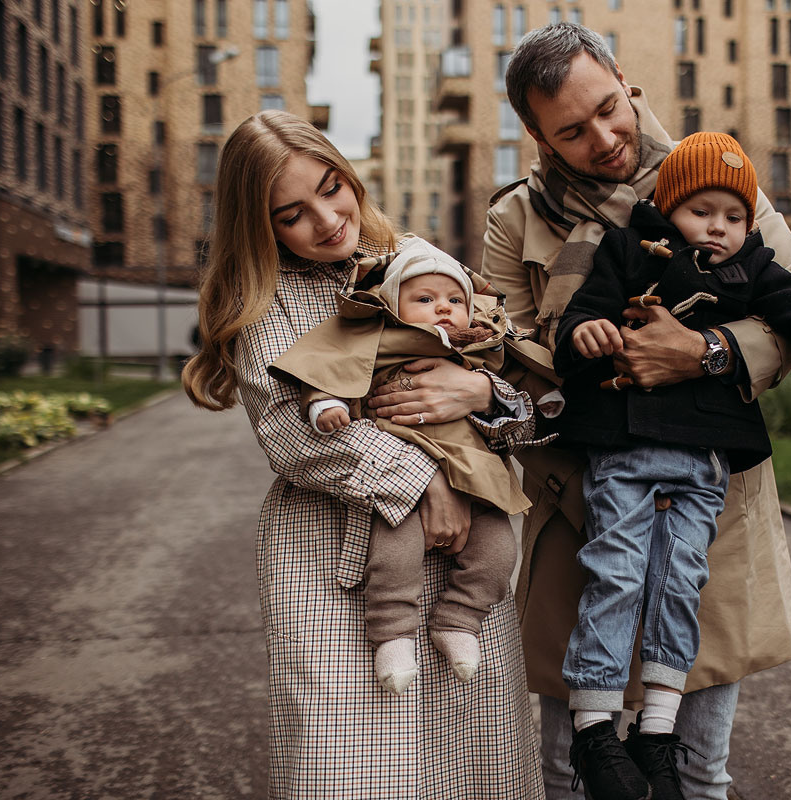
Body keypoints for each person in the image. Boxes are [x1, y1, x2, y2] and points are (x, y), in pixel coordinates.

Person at [476, 22, 791, 800]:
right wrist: (596, 365)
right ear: (537, 135)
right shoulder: (515, 220)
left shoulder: (718, 184)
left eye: (609, 107)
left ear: (624, 79)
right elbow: (502, 351)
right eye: (572, 129)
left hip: (710, 505)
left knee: (698, 769)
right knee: (572, 768)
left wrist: (701, 352)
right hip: (582, 499)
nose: (604, 138)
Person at [181, 111, 544, 799]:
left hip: (466, 554)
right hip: (324, 562)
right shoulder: (264, 299)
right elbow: (292, 434)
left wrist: (476, 390)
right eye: (292, 213)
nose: (326, 220)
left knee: (473, 753)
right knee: (342, 762)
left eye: (331, 187)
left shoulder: (413, 260)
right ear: (259, 225)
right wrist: (424, 480)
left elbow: (517, 391)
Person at [552, 131, 791, 800]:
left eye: (735, 215)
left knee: (681, 586)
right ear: (669, 208)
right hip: (625, 450)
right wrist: (584, 334)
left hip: (703, 464)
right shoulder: (628, 250)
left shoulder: (755, 268)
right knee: (615, 575)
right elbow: (577, 319)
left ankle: (656, 732)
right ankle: (594, 729)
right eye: (704, 211)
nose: (721, 227)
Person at [265, 236, 555, 696]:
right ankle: (393, 635)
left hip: (474, 473)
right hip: (400, 470)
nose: (443, 308)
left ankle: (459, 618)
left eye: (454, 300)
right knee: (394, 555)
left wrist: (486, 390)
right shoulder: (375, 337)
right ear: (393, 304)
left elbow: (530, 401)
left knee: (500, 551)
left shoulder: (481, 345)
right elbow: (328, 367)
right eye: (425, 299)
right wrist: (324, 405)